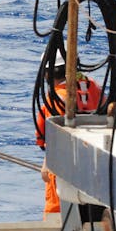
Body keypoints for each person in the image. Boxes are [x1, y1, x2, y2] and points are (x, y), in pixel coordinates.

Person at [36, 61, 101, 215]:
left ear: (47, 74)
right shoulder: (93, 87)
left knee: (57, 211)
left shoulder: (56, 97)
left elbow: (51, 136)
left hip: (64, 164)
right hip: (95, 161)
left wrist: (46, 164)